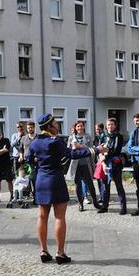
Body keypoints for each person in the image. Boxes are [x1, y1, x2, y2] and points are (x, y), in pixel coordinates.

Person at [26, 113, 106, 264]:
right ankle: (60, 253)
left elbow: (29, 159)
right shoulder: (55, 142)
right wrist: (96, 150)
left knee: (42, 216)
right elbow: (72, 154)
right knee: (59, 217)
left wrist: (40, 162)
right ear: (50, 126)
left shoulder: (35, 142)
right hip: (55, 179)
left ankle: (43, 251)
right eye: (55, 124)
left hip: (41, 180)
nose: (57, 126)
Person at [66, 120, 100, 212]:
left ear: (84, 127)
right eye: (78, 126)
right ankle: (80, 204)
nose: (80, 128)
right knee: (78, 185)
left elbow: (91, 150)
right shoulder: (71, 138)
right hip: (76, 165)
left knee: (90, 184)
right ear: (75, 128)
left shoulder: (88, 136)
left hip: (86, 163)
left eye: (81, 126)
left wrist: (80, 146)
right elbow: (68, 151)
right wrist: (73, 148)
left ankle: (96, 203)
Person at [97, 118, 127, 215]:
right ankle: (104, 206)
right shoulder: (103, 136)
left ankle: (123, 207)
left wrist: (105, 151)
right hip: (104, 163)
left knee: (119, 186)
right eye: (108, 124)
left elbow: (115, 150)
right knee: (105, 186)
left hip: (115, 164)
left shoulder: (119, 136)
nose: (110, 126)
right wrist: (101, 156)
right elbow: (99, 148)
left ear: (115, 125)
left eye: (112, 124)